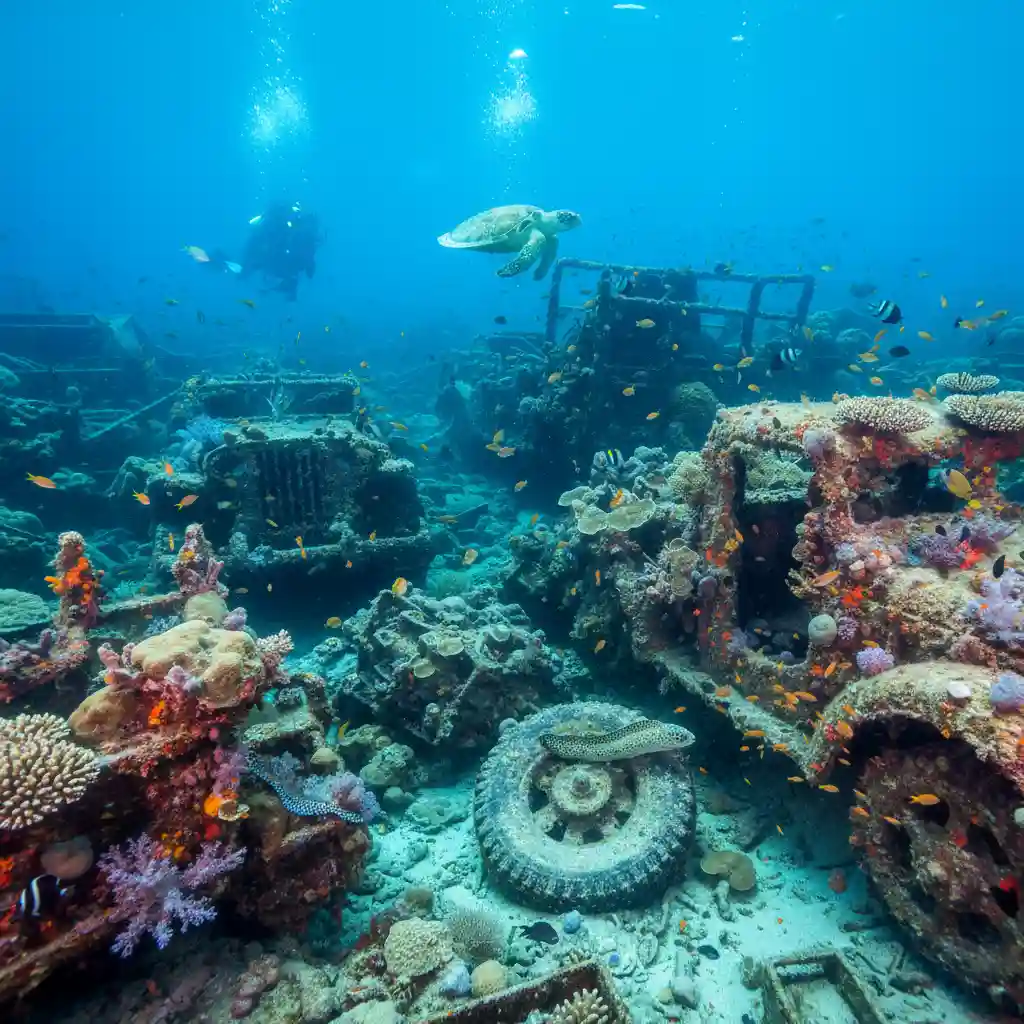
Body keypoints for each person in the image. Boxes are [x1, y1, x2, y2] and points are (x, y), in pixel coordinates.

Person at [239, 201, 321, 301]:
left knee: (245, 272)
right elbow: (309, 271)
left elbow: (309, 270)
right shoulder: (295, 236)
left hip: (275, 267)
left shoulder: (303, 239)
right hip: (273, 264)